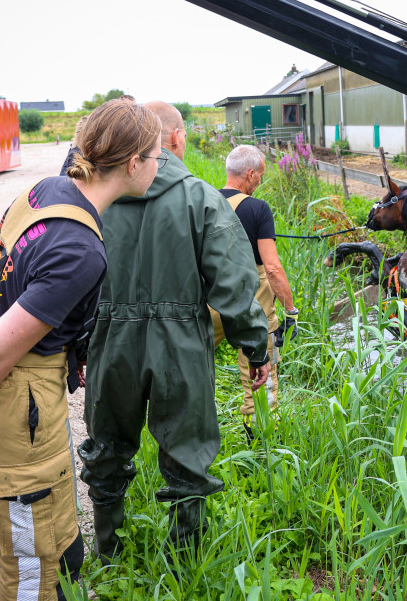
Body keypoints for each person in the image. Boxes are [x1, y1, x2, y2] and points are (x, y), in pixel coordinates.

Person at [0, 99, 163, 601]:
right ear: (133, 164)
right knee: (35, 560)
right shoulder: (81, 250)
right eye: (156, 158)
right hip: (10, 408)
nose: (157, 167)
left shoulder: (44, 191)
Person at [77, 100, 269, 561]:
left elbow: (69, 278)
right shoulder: (201, 197)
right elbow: (234, 286)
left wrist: (78, 346)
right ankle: (184, 564)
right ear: (175, 138)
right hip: (180, 343)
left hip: (111, 340)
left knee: (106, 447)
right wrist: (256, 348)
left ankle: (110, 553)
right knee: (187, 455)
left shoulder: (91, 196)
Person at [214, 144, 299, 434]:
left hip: (209, 295)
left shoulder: (206, 201)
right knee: (261, 371)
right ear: (250, 174)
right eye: (260, 175)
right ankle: (261, 435)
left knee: (194, 364)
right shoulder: (258, 208)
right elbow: (273, 268)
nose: (260, 181)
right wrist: (290, 310)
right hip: (254, 295)